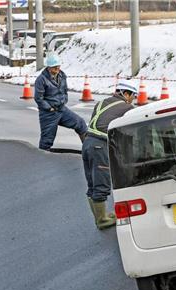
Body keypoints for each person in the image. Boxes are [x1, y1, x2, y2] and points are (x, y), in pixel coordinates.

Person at [82, 81, 138, 230]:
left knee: (92, 182)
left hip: (87, 143)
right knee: (102, 182)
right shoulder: (126, 108)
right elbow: (128, 133)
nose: (132, 99)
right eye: (133, 96)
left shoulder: (102, 103)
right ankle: (102, 220)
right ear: (126, 94)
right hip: (100, 146)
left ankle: (100, 217)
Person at [34, 53, 87, 151]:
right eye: (55, 67)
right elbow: (38, 98)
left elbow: (64, 90)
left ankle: (88, 150)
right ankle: (41, 159)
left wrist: (64, 100)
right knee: (47, 140)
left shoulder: (62, 76)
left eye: (58, 67)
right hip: (49, 113)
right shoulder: (41, 80)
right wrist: (49, 108)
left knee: (81, 124)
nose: (57, 69)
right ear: (49, 68)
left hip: (62, 109)